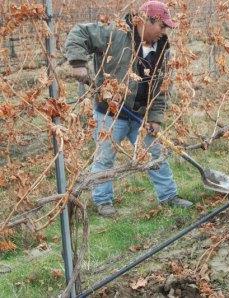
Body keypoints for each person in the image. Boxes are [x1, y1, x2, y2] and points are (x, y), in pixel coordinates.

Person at [64, 1, 192, 217]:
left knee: (155, 153)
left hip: (140, 115)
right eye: (162, 26)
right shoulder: (115, 34)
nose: (164, 32)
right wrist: (78, 63)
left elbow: (160, 89)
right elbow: (80, 32)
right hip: (109, 115)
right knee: (104, 159)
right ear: (146, 21)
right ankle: (104, 202)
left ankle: (169, 196)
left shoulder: (162, 50)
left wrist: (156, 118)